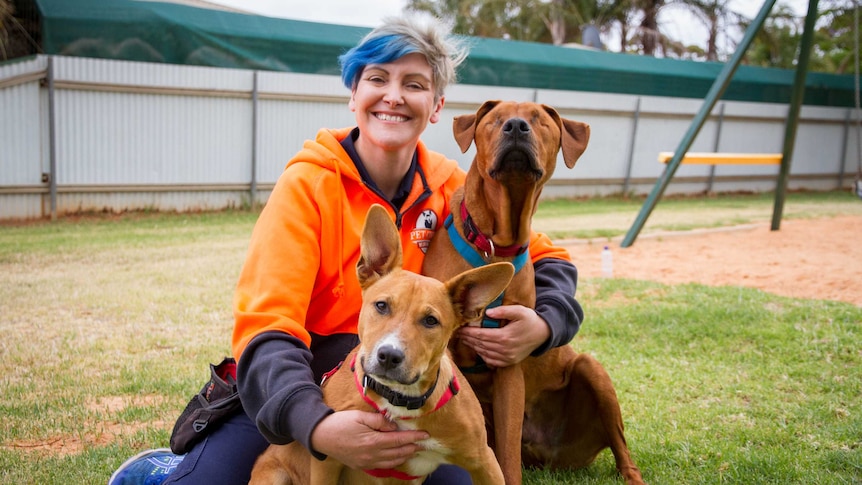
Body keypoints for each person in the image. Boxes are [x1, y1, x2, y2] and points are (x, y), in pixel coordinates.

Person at [109, 13, 583, 485]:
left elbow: (542, 255)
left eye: (414, 84)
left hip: (397, 384)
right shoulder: (307, 185)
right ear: (353, 95)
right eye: (377, 79)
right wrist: (317, 424)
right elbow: (266, 327)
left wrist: (546, 324)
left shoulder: (450, 188)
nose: (394, 96)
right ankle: (156, 472)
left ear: (436, 105)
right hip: (295, 379)